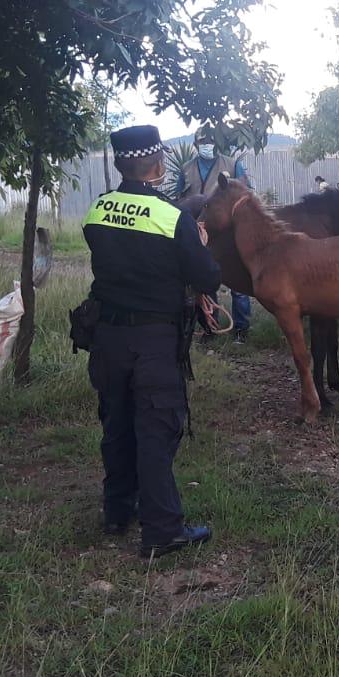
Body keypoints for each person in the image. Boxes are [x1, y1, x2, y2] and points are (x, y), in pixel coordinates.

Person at [83, 125, 221, 559]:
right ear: (159, 166)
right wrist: (198, 245)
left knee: (117, 422)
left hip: (107, 336)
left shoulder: (98, 209)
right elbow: (208, 279)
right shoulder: (171, 217)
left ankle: (117, 511)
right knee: (157, 429)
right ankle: (162, 530)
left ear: (121, 163)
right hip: (154, 340)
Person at [176, 130, 253, 344]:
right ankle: (210, 327)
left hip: (227, 232)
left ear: (216, 143)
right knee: (203, 280)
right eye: (203, 141)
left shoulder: (232, 164)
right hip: (197, 231)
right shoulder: (186, 168)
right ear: (196, 144)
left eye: (211, 141)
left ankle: (241, 329)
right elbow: (179, 198)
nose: (207, 144)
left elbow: (247, 193)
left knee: (236, 280)